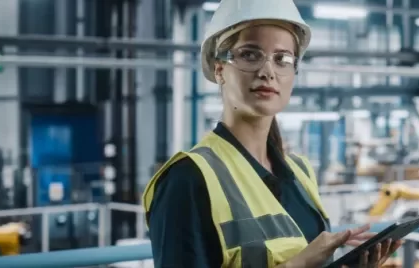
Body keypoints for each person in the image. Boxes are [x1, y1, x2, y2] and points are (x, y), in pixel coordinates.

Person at [142, 0, 402, 267]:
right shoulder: (187, 178)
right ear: (220, 70)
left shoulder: (301, 173)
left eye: (282, 59)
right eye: (250, 55)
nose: (268, 72)